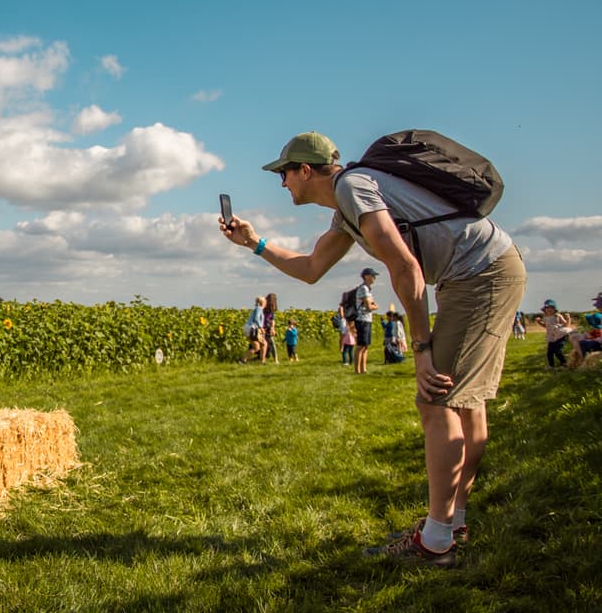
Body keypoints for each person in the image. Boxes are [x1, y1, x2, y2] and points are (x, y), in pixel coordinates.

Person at [220, 130, 526, 567]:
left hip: (479, 275)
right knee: (465, 402)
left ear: (306, 170)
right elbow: (311, 269)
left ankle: (436, 542)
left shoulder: (352, 188)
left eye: (285, 174)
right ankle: (452, 523)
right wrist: (254, 242)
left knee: (437, 398)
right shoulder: (350, 205)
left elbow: (405, 267)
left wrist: (420, 349)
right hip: (487, 269)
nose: (282, 183)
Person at [354, 268, 380, 374]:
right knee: (361, 345)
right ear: (366, 276)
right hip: (362, 318)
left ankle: (363, 369)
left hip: (367, 318)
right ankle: (357, 370)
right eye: (372, 275)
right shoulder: (364, 289)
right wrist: (375, 306)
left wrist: (372, 305)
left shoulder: (368, 289)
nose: (374, 278)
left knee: (366, 346)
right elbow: (369, 306)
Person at [533, 299, 572, 368]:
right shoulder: (545, 318)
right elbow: (545, 326)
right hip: (551, 337)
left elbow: (566, 325)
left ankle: (564, 363)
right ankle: (551, 365)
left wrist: (568, 318)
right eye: (547, 308)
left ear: (555, 309)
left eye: (551, 308)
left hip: (560, 336)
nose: (549, 309)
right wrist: (539, 322)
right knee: (549, 353)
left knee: (557, 351)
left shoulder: (558, 316)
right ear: (544, 310)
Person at [243, 296, 266, 363]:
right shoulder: (259, 308)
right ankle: (243, 360)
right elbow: (256, 319)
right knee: (259, 346)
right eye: (265, 301)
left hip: (250, 328)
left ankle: (262, 361)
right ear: (263, 302)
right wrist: (261, 328)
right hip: (252, 329)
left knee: (260, 345)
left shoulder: (258, 308)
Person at [263, 293, 279, 363]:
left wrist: (272, 328)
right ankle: (265, 359)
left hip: (267, 328)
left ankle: (275, 359)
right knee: (267, 344)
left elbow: (272, 320)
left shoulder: (271, 309)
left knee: (271, 343)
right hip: (263, 328)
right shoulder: (263, 308)